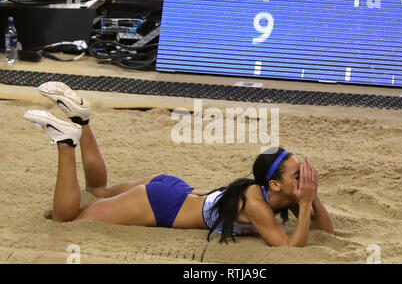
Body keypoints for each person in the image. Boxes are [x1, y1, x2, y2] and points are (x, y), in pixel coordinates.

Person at [24, 82, 334, 247]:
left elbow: (325, 231)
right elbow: (290, 249)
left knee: (98, 189)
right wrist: (306, 203)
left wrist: (310, 196)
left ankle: (82, 120)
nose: (305, 178)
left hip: (174, 189)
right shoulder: (257, 201)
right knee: (67, 219)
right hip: (161, 205)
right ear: (274, 184)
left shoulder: (285, 194)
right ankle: (66, 144)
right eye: (299, 174)